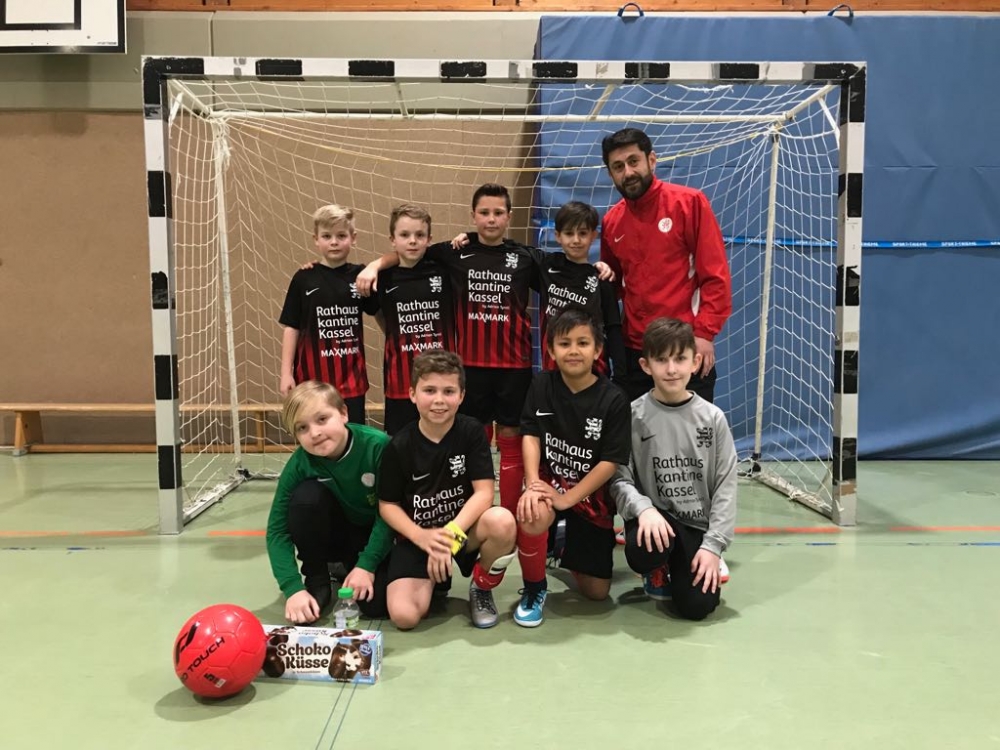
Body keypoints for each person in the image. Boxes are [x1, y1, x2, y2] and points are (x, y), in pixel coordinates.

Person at [358, 184, 543, 516]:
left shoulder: (525, 257)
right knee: (471, 438)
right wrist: (374, 265)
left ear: (509, 216)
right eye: (484, 212)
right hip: (469, 367)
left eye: (498, 213)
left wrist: (598, 270)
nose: (491, 219)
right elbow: (408, 254)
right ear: (473, 216)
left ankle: (509, 515)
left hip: (515, 366)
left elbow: (562, 273)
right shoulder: (453, 253)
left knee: (511, 435)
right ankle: (473, 513)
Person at [378, 348, 517, 630]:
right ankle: (434, 580)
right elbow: (388, 505)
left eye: (449, 391)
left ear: (462, 396)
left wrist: (450, 537)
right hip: (420, 538)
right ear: (412, 394)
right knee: (405, 616)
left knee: (502, 521)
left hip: (461, 532)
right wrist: (422, 537)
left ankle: (481, 587)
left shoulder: (471, 431)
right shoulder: (399, 445)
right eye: (429, 390)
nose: (439, 400)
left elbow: (484, 493)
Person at [610, 318, 737, 621]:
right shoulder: (633, 416)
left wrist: (713, 546)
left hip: (695, 524)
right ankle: (657, 567)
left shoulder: (713, 418)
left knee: (698, 607)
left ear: (695, 362)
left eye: (679, 359)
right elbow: (619, 479)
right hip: (655, 520)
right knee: (644, 552)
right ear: (645, 365)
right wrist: (643, 510)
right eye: (661, 360)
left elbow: (726, 486)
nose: (671, 369)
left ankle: (689, 559)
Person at [513, 307, 631, 627]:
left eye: (583, 342)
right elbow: (530, 435)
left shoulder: (614, 400)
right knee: (534, 512)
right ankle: (535, 587)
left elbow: (609, 462)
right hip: (550, 485)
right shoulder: (542, 384)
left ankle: (561, 542)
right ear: (551, 350)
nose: (574, 351)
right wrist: (533, 483)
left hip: (589, 497)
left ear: (598, 350)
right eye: (564, 344)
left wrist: (568, 499)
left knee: (596, 592)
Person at [600, 127, 733, 403]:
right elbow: (612, 286)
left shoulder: (689, 203)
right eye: (618, 167)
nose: (628, 172)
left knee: (692, 430)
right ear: (610, 173)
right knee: (635, 430)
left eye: (633, 161)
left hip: (685, 347)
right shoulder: (611, 221)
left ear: (651, 160)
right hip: (635, 353)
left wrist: (704, 334)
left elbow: (715, 276)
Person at [265, 381, 392, 625]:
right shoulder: (300, 463)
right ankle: (318, 578)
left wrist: (367, 565)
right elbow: (277, 531)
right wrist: (292, 589)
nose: (314, 433)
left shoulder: (378, 446)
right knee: (306, 498)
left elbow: (389, 513)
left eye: (322, 419)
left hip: (376, 534)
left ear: (344, 413)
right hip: (338, 532)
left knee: (376, 605)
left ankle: (350, 566)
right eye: (302, 428)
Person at [279, 204, 379, 424]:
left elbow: (378, 311)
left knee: (351, 434)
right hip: (312, 382)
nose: (334, 242)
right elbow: (291, 327)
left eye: (341, 235)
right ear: (316, 239)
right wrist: (286, 373)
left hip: (352, 381)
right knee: (316, 433)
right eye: (327, 236)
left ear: (353, 238)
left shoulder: (361, 276)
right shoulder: (304, 278)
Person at [374, 204, 456, 435]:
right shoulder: (382, 279)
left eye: (419, 235)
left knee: (443, 439)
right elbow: (380, 314)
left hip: (441, 378)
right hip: (400, 380)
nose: (412, 241)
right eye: (404, 235)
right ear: (393, 240)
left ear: (429, 239)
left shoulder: (445, 271)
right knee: (400, 440)